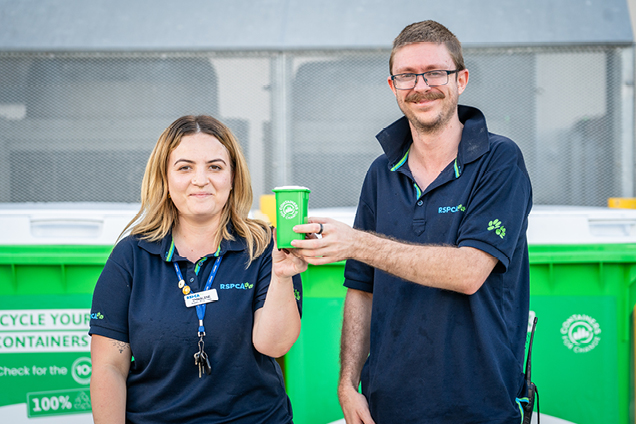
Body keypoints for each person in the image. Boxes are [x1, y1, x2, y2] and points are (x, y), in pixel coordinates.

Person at [292, 20, 533, 424]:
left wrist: (357, 243)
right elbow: (362, 289)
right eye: (407, 75)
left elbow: (469, 272)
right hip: (387, 406)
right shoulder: (380, 173)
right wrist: (347, 384)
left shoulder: (499, 161)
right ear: (393, 87)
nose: (421, 86)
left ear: (461, 80)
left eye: (435, 72)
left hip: (479, 406)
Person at [89, 115, 306, 424]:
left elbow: (274, 345)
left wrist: (282, 277)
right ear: (165, 178)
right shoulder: (131, 256)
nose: (201, 180)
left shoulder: (264, 247)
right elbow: (109, 367)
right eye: (185, 167)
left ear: (233, 178)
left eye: (215, 167)